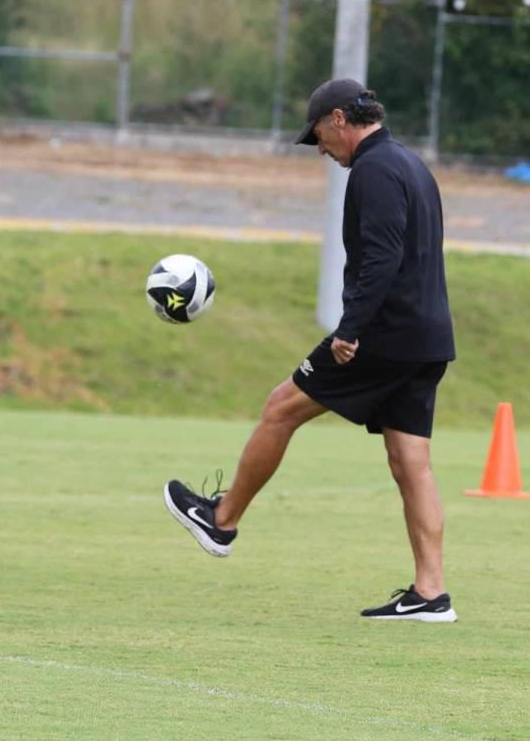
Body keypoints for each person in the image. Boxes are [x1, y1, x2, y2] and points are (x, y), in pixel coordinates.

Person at [164, 78, 457, 623]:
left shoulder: (373, 169)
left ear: (340, 119)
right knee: (410, 462)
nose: (320, 148)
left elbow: (384, 257)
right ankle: (431, 593)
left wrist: (350, 329)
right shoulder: (412, 165)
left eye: (319, 134)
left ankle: (221, 521)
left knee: (281, 407)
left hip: (383, 335)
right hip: (428, 337)